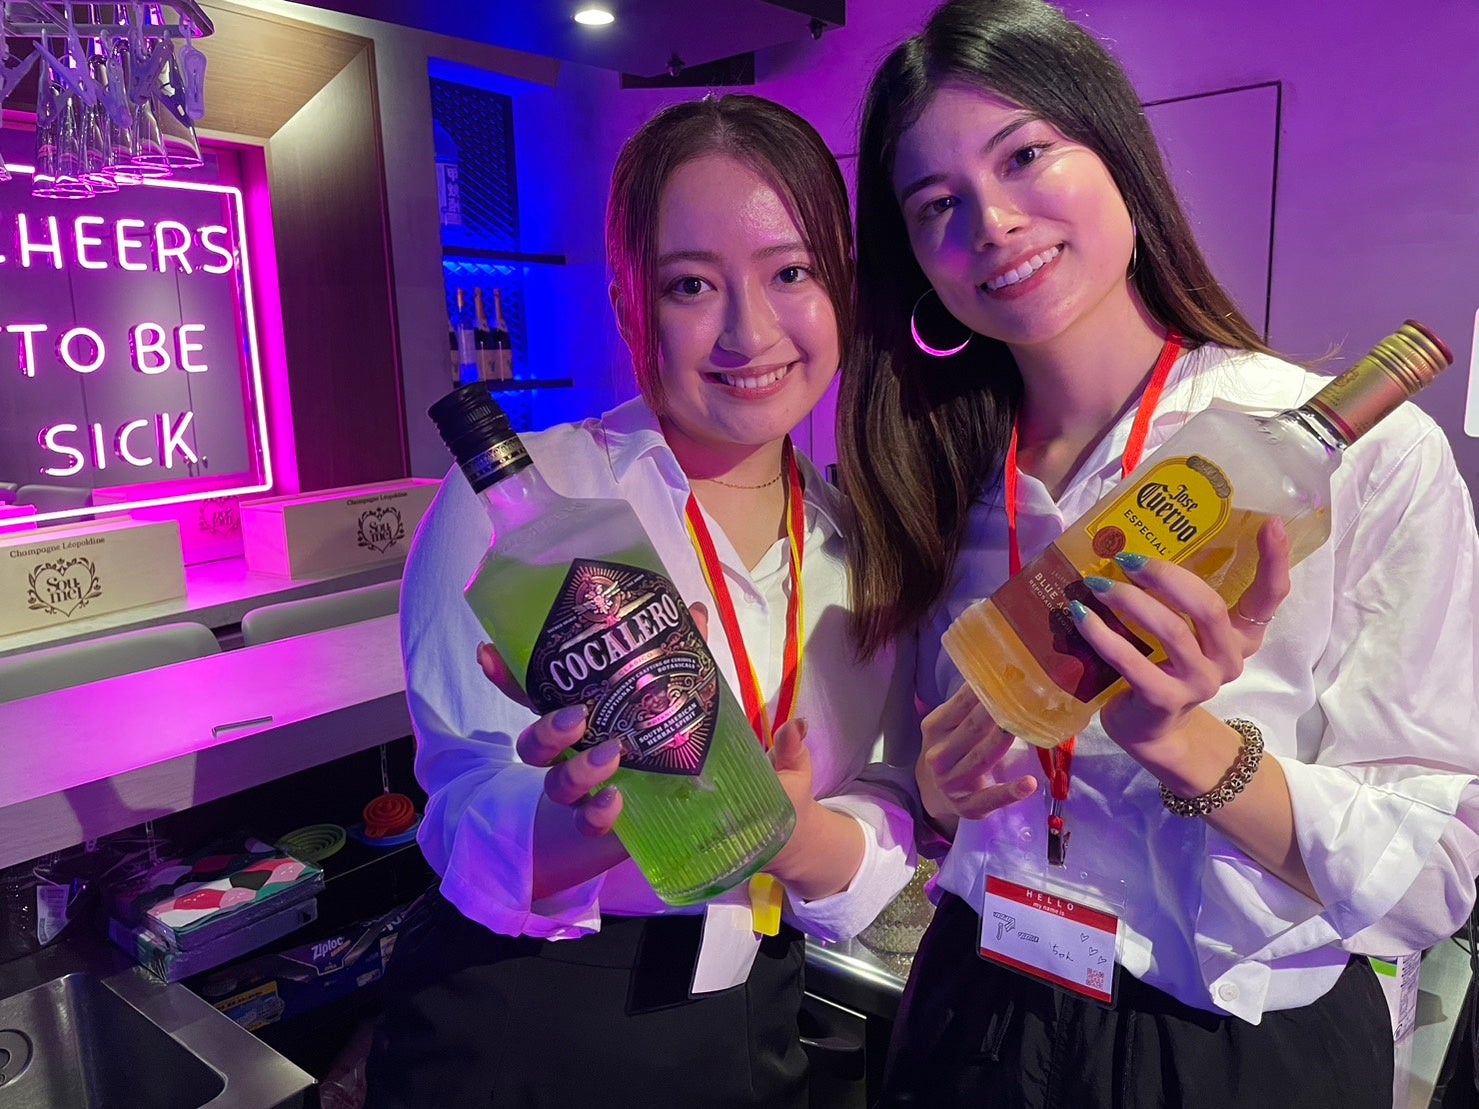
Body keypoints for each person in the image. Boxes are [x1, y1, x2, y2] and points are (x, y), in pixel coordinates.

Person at [835, 1, 1479, 1106]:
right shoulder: (931, 475)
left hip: (1223, 1048)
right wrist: (937, 792)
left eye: (1024, 154)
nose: (992, 221)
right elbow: (926, 787)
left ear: (1118, 153)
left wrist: (1189, 745)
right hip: (973, 1008)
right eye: (938, 203)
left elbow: (1436, 873)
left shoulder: (1355, 460)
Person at [364, 94, 920, 1109]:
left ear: (842, 284)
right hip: (529, 1011)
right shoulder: (524, 500)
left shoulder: (861, 537)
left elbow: (886, 793)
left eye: (791, 272)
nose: (750, 330)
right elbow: (460, 804)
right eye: (691, 284)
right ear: (631, 303)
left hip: (755, 1003)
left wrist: (794, 835)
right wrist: (584, 823)